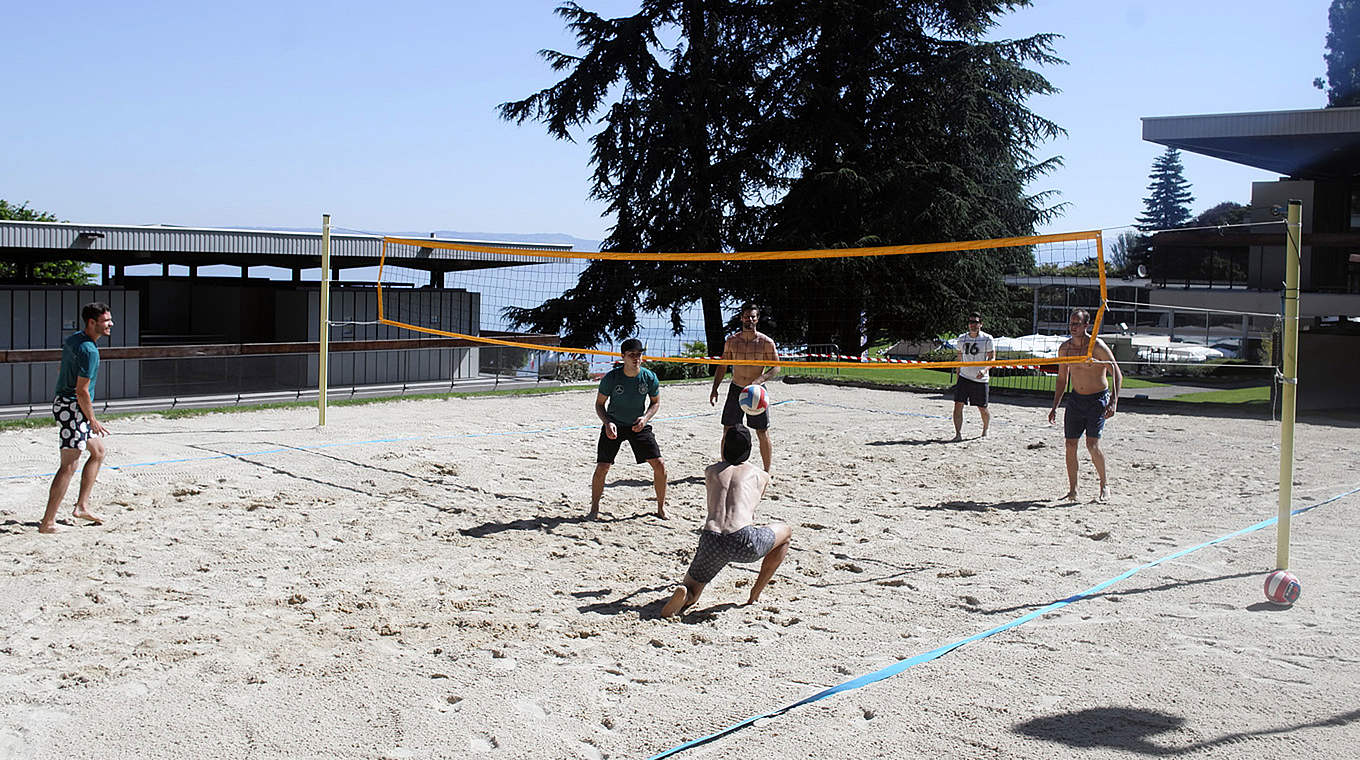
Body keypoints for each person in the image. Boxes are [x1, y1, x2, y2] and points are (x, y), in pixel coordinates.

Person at [661, 425, 792, 618]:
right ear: (749, 448)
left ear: (723, 447)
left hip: (711, 538)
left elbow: (725, 469)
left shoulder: (711, 471)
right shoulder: (760, 475)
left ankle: (686, 596)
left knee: (693, 588)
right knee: (786, 532)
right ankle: (754, 594)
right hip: (742, 539)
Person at [42, 302, 114, 533]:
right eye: (106, 321)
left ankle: (81, 506)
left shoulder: (74, 339)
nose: (110, 324)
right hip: (74, 408)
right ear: (92, 323)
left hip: (66, 405)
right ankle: (48, 522)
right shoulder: (90, 351)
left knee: (98, 451)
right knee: (69, 465)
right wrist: (91, 419)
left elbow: (62, 369)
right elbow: (82, 391)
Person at [1047, 309, 1122, 503]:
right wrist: (1055, 406)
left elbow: (1117, 373)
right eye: (1071, 323)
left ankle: (1104, 485)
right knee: (1070, 444)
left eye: (1076, 324)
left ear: (1086, 325)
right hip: (1076, 400)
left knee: (1092, 444)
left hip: (1097, 400)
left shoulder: (1096, 346)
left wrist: (1113, 401)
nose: (1072, 327)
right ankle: (1073, 490)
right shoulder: (1065, 348)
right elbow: (1062, 379)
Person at [591, 338, 667, 519]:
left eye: (639, 354)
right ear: (623, 357)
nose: (636, 358)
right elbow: (599, 404)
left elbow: (655, 403)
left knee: (660, 465)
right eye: (631, 355)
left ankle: (661, 508)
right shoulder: (612, 378)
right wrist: (607, 422)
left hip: (637, 425)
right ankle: (594, 508)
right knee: (603, 466)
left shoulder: (649, 377)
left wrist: (645, 418)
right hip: (614, 424)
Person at [709, 303, 779, 472]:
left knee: (762, 431)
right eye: (747, 316)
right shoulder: (732, 341)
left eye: (753, 316)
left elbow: (776, 367)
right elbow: (723, 366)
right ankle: (725, 466)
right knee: (728, 429)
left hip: (756, 392)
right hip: (736, 388)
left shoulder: (765, 342)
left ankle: (767, 471)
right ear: (741, 318)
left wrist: (760, 380)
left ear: (757, 319)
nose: (750, 320)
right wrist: (715, 388)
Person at [952, 312, 995, 441]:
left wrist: (984, 370)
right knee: (958, 405)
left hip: (980, 379)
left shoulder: (987, 338)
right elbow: (959, 359)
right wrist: (958, 375)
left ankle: (985, 430)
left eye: (976, 322)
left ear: (981, 324)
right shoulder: (962, 338)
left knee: (982, 407)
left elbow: (992, 358)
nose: (973, 325)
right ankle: (958, 434)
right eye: (971, 322)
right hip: (965, 377)